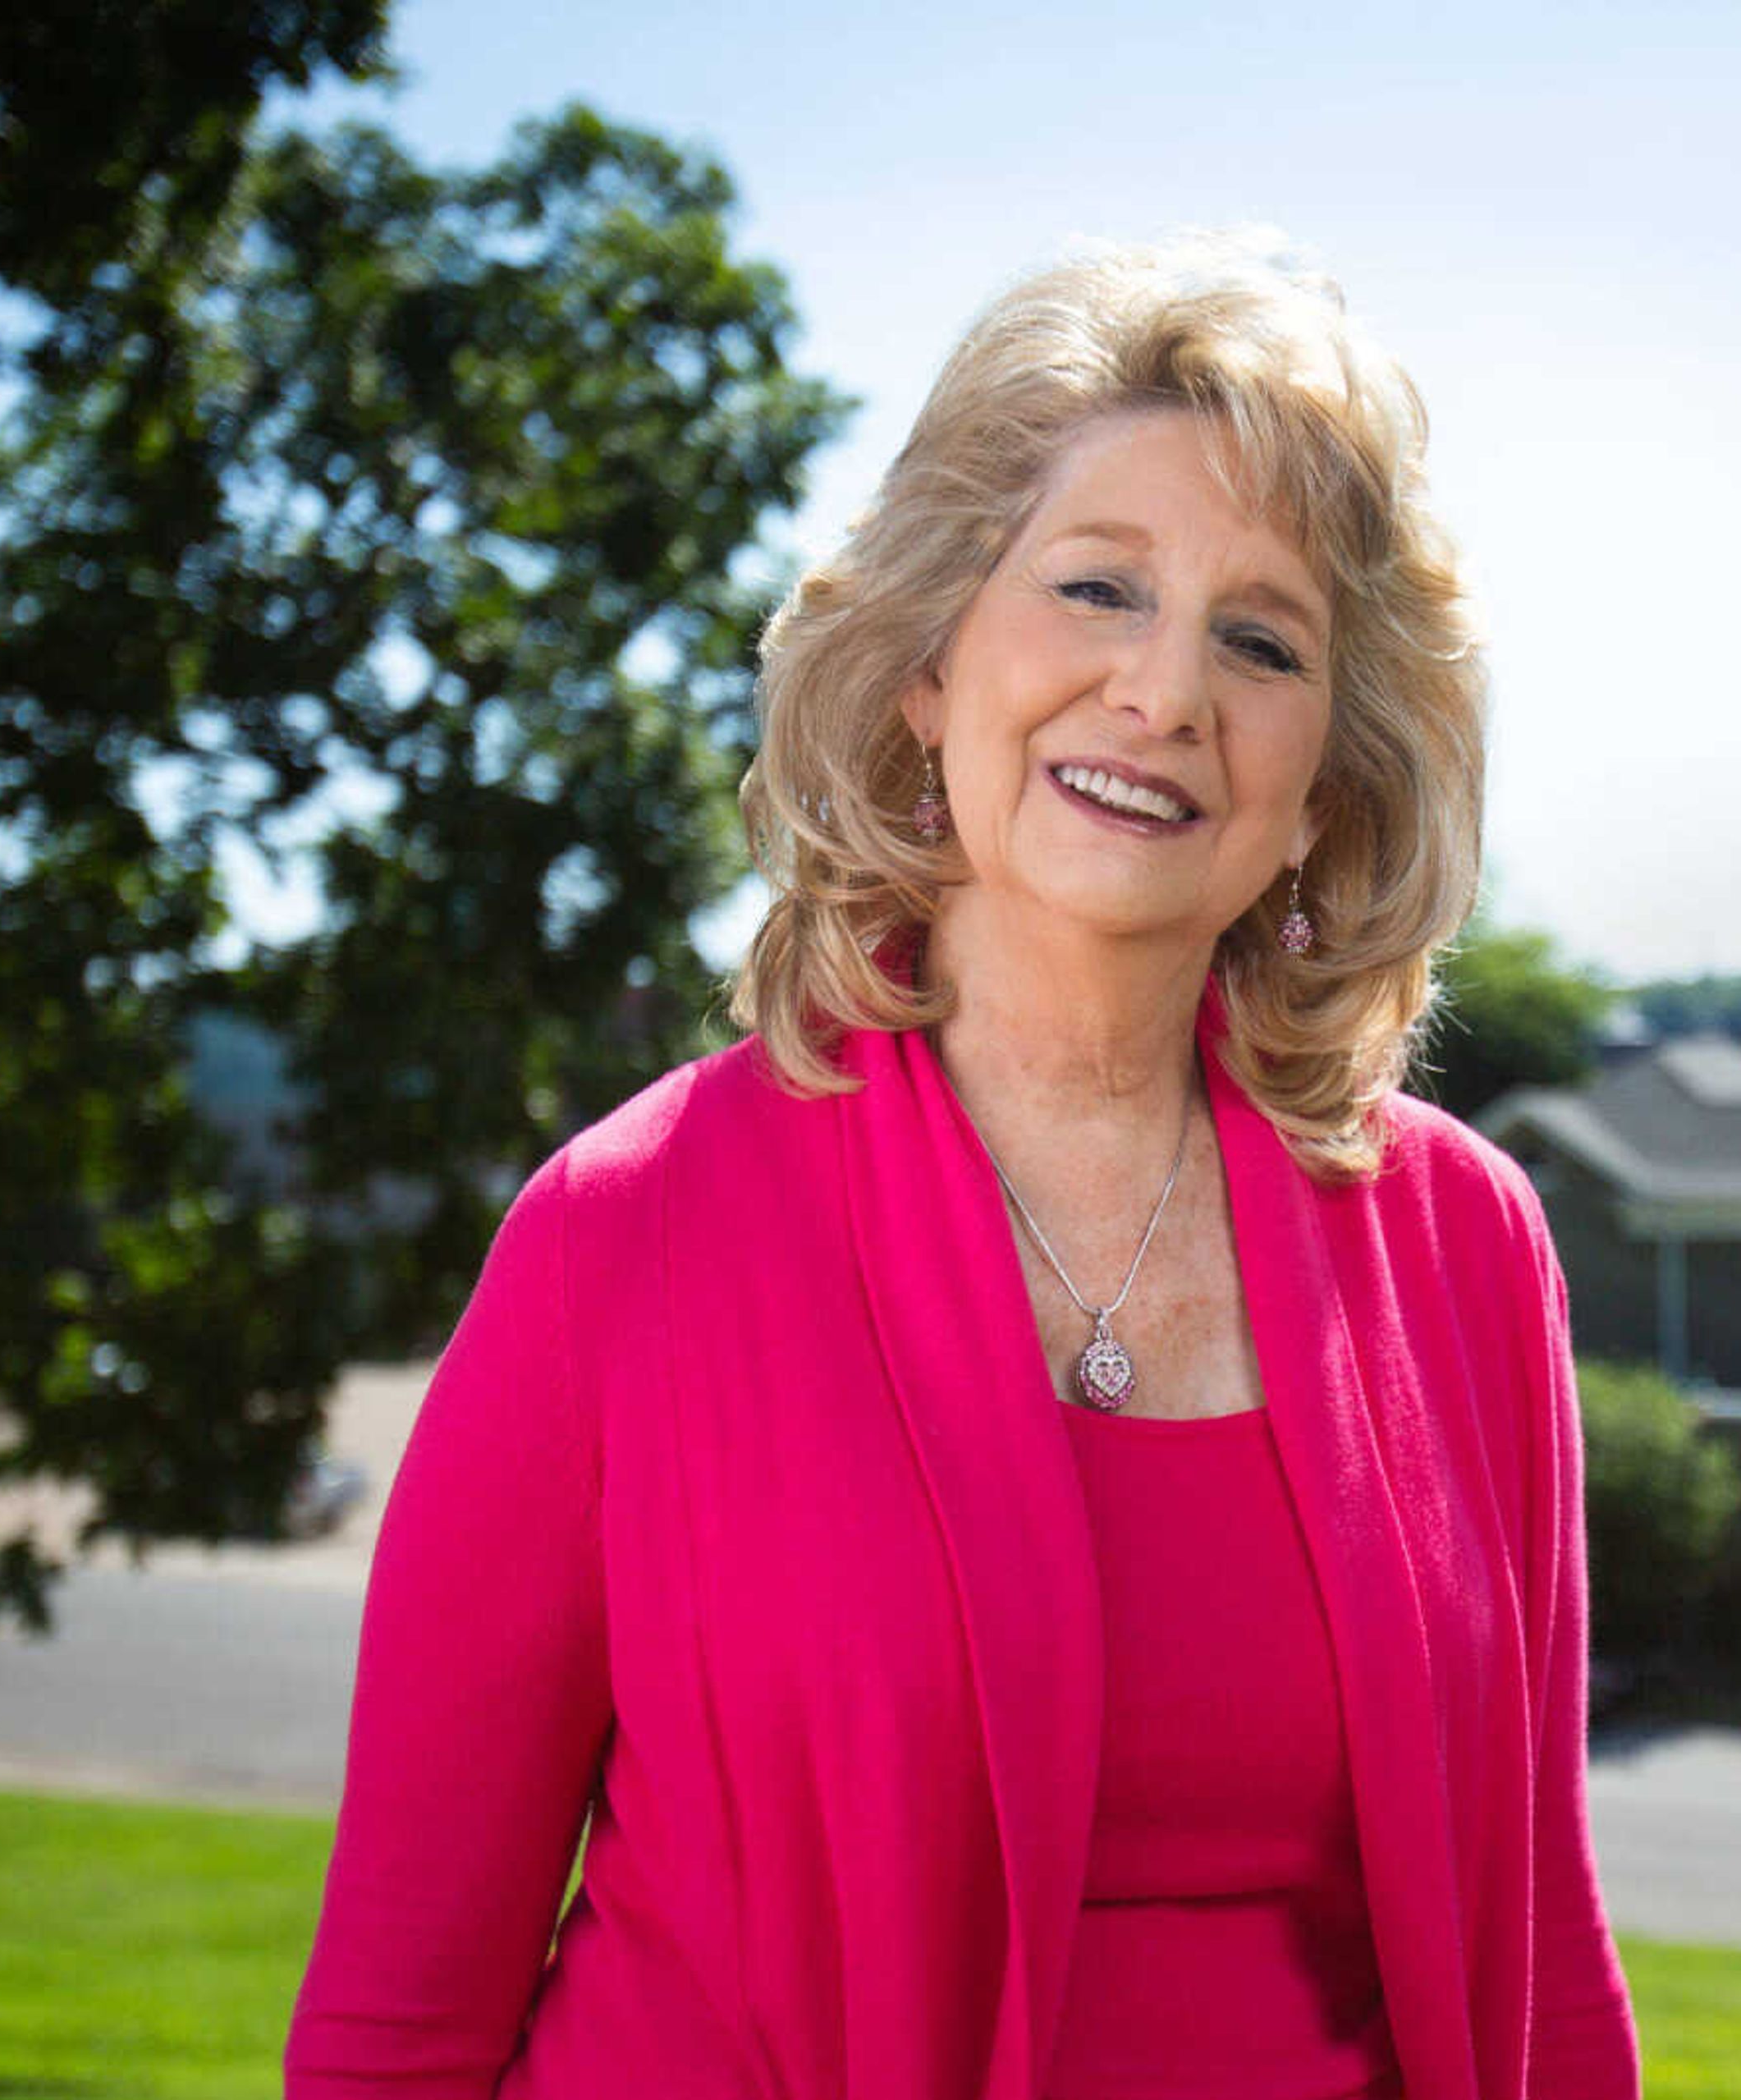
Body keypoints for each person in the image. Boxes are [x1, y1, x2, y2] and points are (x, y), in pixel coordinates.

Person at [286, 232, 1640, 2100]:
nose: (1164, 692)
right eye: (1097, 587)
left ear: (1330, 773)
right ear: (930, 664)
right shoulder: (629, 1236)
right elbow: (396, 2016)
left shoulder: (1464, 1247)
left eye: (1262, 639)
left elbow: (1547, 1971)